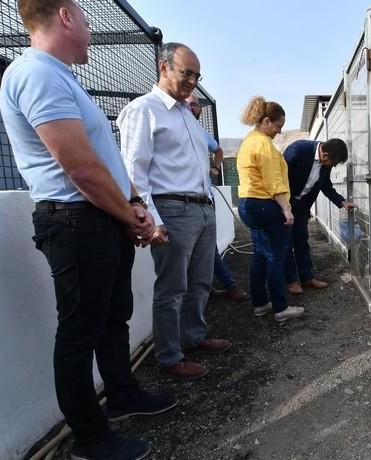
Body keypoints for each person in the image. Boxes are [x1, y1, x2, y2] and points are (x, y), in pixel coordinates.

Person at [0, 1, 177, 458]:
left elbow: (106, 161)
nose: (90, 25)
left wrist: (133, 205)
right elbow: (78, 167)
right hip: (76, 220)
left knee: (112, 314)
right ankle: (90, 438)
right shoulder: (35, 72)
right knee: (79, 330)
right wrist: (126, 213)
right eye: (84, 15)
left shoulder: (61, 77)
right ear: (64, 17)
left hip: (99, 216)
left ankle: (121, 395)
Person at [118, 42, 231, 381]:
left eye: (197, 75)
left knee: (199, 281)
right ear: (163, 67)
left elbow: (198, 160)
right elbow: (134, 170)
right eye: (186, 73)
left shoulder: (186, 114)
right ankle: (169, 356)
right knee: (172, 287)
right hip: (172, 208)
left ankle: (193, 337)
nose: (192, 81)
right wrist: (151, 217)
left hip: (201, 207)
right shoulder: (144, 109)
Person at [236, 96, 304, 322]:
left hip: (248, 203)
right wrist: (287, 210)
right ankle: (280, 307)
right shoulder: (264, 145)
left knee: (261, 255)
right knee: (276, 256)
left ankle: (260, 303)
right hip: (265, 204)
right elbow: (274, 181)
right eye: (278, 126)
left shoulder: (249, 141)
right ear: (266, 121)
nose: (279, 131)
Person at [186, 94, 249, 303]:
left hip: (205, 200)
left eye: (194, 104)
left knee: (207, 249)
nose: (190, 107)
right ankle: (224, 286)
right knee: (196, 254)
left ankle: (218, 287)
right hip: (179, 204)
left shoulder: (202, 134)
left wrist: (215, 167)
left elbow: (219, 151)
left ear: (200, 110)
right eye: (186, 104)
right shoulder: (170, 128)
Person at [284, 139, 356, 294]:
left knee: (302, 241)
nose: (333, 166)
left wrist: (342, 202)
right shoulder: (298, 150)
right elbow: (280, 179)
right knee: (286, 243)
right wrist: (283, 206)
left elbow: (326, 186)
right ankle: (292, 281)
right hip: (284, 204)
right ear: (325, 154)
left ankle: (307, 278)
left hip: (301, 205)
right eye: (334, 162)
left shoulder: (325, 163)